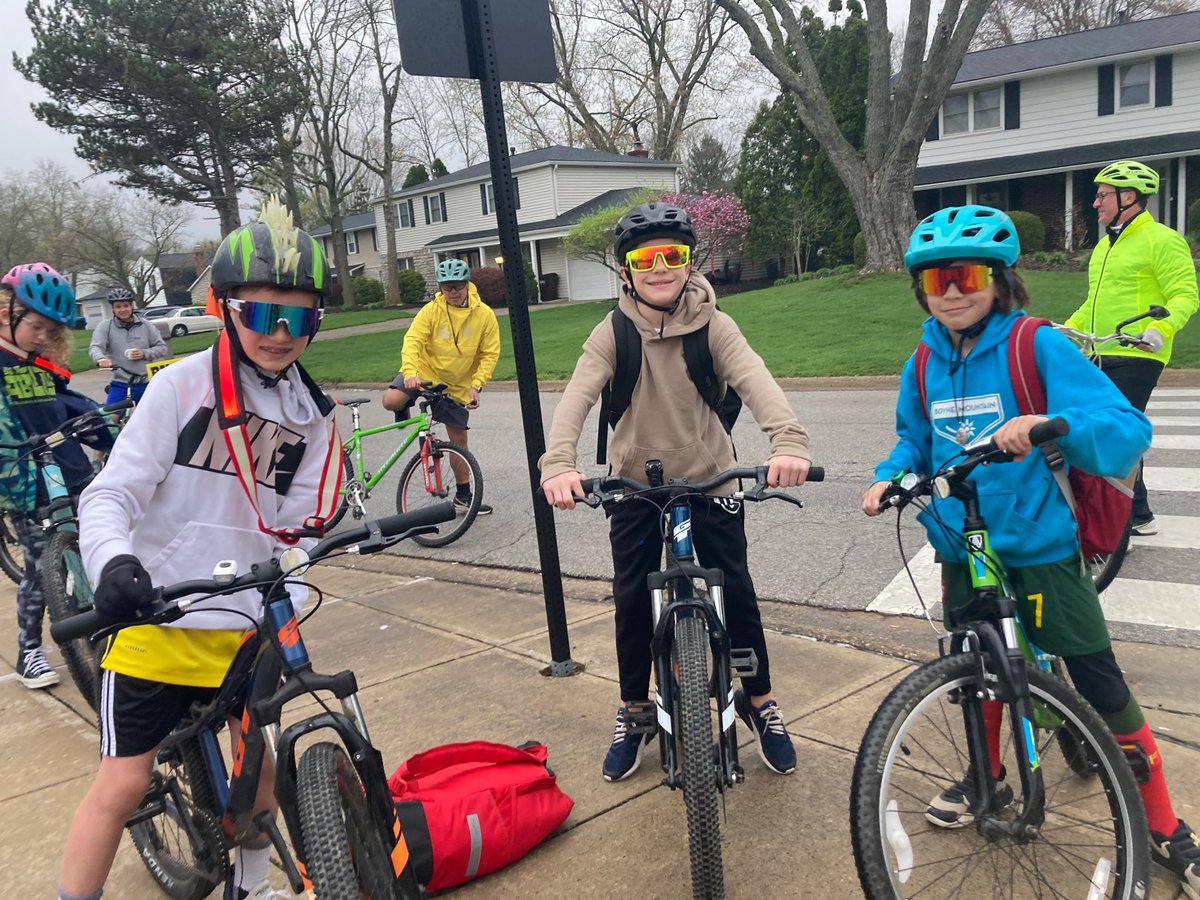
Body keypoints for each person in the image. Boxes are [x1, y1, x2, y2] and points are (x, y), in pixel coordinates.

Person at [861, 205, 1198, 897]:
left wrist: (1049, 423)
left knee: (1099, 680)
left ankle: (1163, 824)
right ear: (920, 289)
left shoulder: (1034, 345)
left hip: (1041, 545)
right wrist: (889, 476)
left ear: (999, 279)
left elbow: (1122, 425)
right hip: (964, 546)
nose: (952, 290)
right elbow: (912, 441)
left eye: (968, 274)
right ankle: (987, 779)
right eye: (936, 279)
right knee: (976, 667)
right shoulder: (922, 361)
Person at [57, 200, 340, 900]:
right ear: (224, 308)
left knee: (261, 764)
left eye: (298, 318)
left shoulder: (315, 414)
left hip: (247, 622)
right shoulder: (180, 387)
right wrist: (114, 566)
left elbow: (306, 524)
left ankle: (252, 885)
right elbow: (109, 496)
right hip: (160, 619)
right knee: (122, 784)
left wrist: (291, 592)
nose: (280, 334)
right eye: (260, 314)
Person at [540, 201, 813, 780]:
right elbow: (576, 398)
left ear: (691, 263)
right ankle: (635, 708)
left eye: (674, 256)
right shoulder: (613, 330)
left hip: (710, 474)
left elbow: (754, 377)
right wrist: (557, 463)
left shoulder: (714, 322)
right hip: (634, 482)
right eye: (646, 258)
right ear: (626, 271)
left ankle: (760, 703)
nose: (661, 267)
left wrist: (787, 442)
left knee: (735, 588)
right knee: (632, 597)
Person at [1065, 160, 1198, 537]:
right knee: (1114, 433)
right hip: (1100, 351)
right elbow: (1094, 302)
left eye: (1102, 195)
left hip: (1139, 352)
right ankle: (1138, 513)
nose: (1096, 203)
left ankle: (1118, 522)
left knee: (1110, 432)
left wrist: (1161, 327)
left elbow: (1185, 294)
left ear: (1129, 197)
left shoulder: (1162, 239)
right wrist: (1066, 329)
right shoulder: (1106, 245)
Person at [0, 263, 113, 690]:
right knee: (38, 567)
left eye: (52, 330)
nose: (44, 336)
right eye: (37, 326)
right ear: (5, 312)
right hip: (25, 486)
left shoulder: (41, 365)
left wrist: (111, 428)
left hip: (71, 474)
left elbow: (73, 407)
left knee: (99, 549)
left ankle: (104, 622)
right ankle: (30, 649)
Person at [382, 257, 499, 515]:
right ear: (440, 288)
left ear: (468, 284)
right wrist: (410, 373)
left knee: (459, 441)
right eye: (447, 287)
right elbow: (412, 341)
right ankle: (405, 406)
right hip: (424, 372)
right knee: (391, 400)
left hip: (457, 384)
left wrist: (476, 386)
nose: (453, 292)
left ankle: (463, 496)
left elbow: (489, 354)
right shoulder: (431, 311)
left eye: (458, 286)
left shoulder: (484, 315)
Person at [88, 286, 169, 405]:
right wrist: (101, 358)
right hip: (121, 383)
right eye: (118, 307)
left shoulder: (146, 325)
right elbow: (95, 347)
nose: (122, 310)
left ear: (131, 306)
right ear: (113, 309)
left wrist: (144, 353)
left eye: (126, 306)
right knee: (111, 418)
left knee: (157, 416)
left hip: (146, 382)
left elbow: (162, 347)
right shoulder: (106, 326)